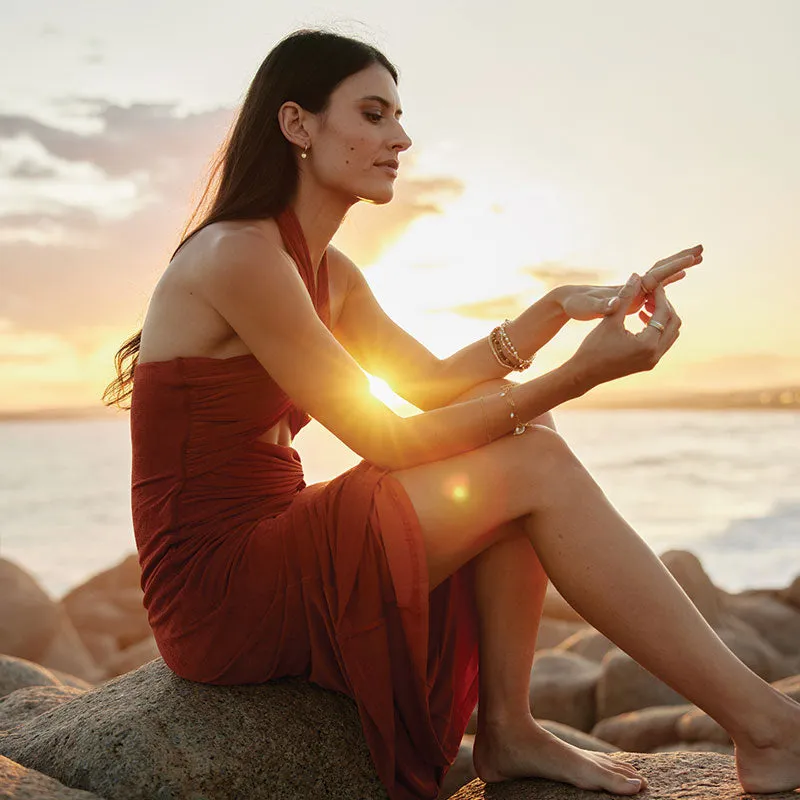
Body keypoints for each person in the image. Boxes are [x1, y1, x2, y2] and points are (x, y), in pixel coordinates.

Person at [103, 28, 800, 800]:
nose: (400, 138)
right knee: (529, 452)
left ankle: (509, 728)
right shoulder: (239, 255)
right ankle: (770, 730)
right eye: (373, 115)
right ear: (297, 124)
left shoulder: (326, 271)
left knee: (517, 430)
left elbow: (432, 383)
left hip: (276, 543)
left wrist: (556, 308)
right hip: (219, 590)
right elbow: (384, 436)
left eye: (398, 117)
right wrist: (576, 377)